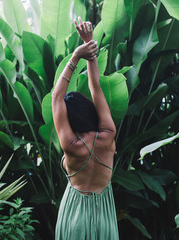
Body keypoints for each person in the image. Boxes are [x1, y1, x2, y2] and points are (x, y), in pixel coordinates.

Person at [52, 17, 119, 240]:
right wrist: (89, 47)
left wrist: (76, 56)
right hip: (104, 219)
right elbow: (95, 86)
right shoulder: (108, 135)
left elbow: (56, 97)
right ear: (89, 110)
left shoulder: (71, 145)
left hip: (73, 217)